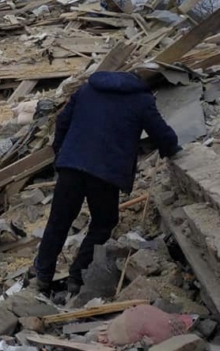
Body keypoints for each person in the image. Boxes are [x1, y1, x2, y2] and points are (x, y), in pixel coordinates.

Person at [33, 71, 180, 295]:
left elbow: (62, 122)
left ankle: (42, 277)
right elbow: (162, 134)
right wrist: (171, 149)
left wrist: (61, 153)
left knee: (58, 222)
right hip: (105, 174)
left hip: (71, 166)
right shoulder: (141, 99)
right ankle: (76, 276)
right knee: (104, 222)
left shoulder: (86, 90)